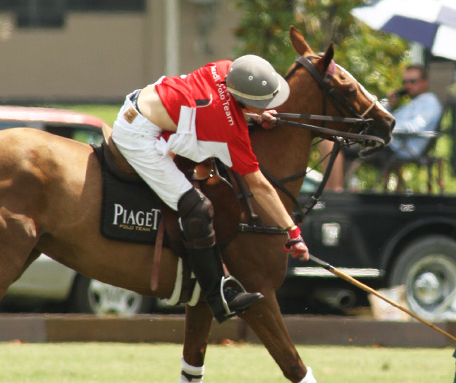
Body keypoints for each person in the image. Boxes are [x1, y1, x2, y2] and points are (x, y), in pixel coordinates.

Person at [111, 55, 309, 323]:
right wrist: (292, 231)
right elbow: (259, 186)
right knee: (197, 208)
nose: (267, 106)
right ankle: (219, 296)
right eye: (261, 103)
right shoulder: (229, 132)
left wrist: (255, 113)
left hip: (141, 100)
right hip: (137, 136)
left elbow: (220, 101)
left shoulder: (225, 67)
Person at [324, 64, 443, 190]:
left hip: (400, 148)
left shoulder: (429, 101)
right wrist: (389, 106)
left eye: (412, 81)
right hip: (390, 143)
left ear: (424, 83)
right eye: (405, 82)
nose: (407, 86)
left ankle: (335, 190)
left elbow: (415, 127)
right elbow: (385, 118)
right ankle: (338, 187)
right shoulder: (412, 103)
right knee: (338, 141)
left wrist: (384, 126)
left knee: (340, 145)